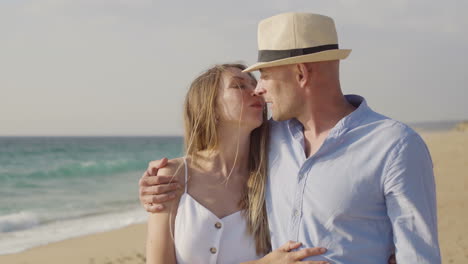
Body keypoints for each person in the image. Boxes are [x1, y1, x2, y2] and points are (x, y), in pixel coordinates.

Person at [141, 13, 440, 263]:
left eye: (265, 76)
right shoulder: (269, 140)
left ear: (300, 74)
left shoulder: (394, 146)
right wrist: (155, 184)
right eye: (242, 85)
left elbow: (418, 255)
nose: (259, 90)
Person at [145, 63, 329, 264]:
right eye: (239, 86)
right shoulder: (174, 175)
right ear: (210, 106)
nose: (257, 91)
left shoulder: (272, 176)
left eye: (255, 84)